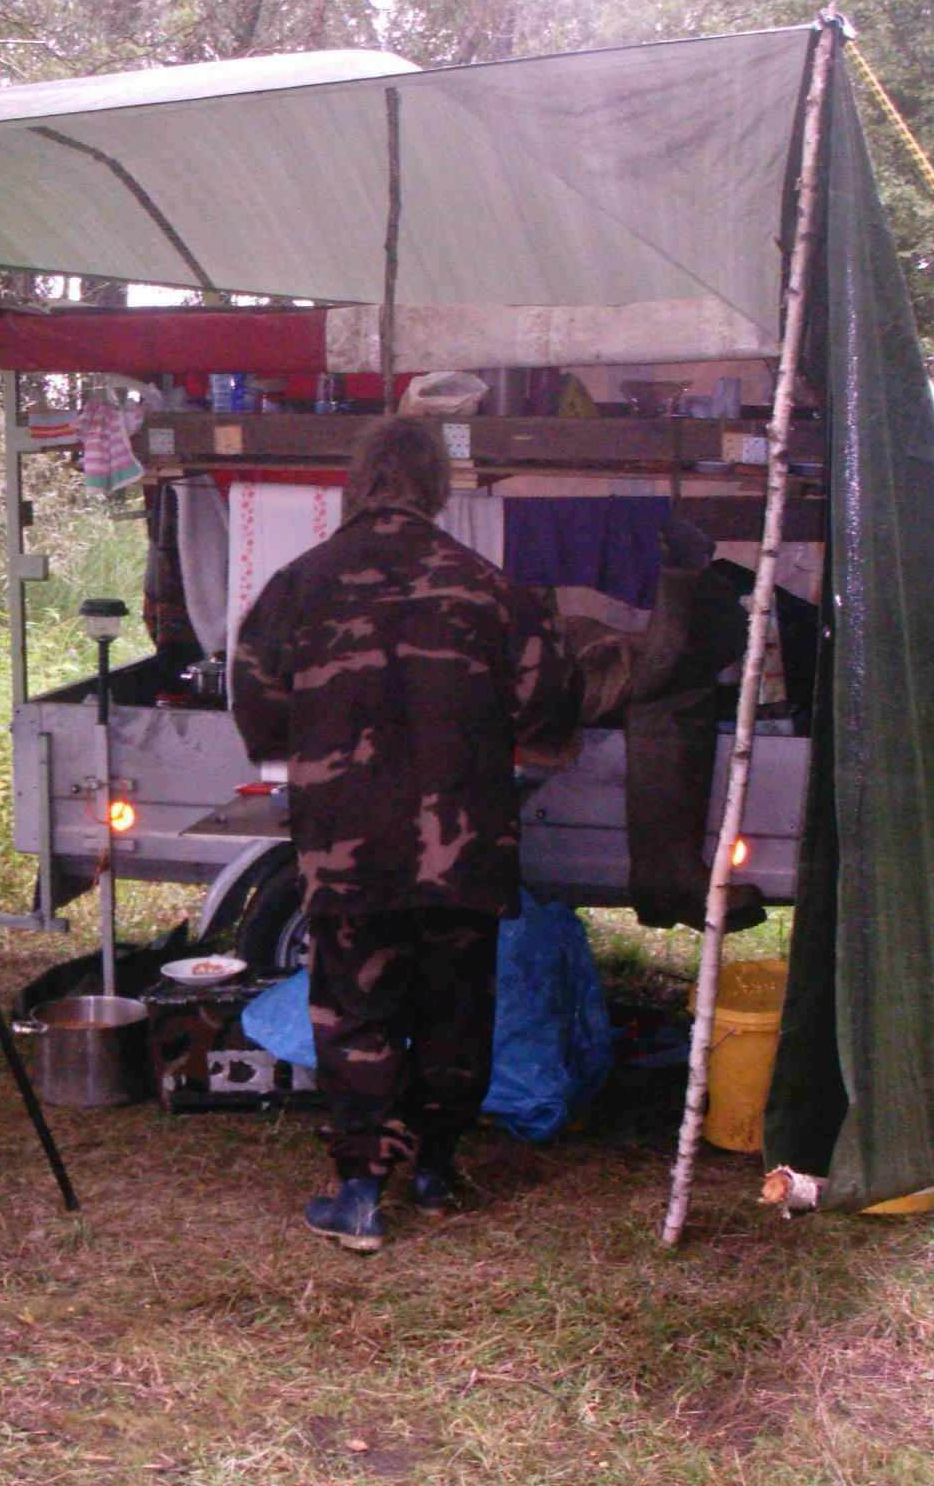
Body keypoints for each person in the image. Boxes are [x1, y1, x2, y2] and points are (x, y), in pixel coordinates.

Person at [230, 416, 596, 1253]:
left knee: (357, 1006)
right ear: (437, 485)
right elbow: (550, 708)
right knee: (456, 1006)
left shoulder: (299, 585)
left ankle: (360, 1192)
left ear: (358, 481)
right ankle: (436, 1169)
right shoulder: (491, 588)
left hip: (347, 845)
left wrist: (315, 748)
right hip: (462, 845)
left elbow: (254, 703)